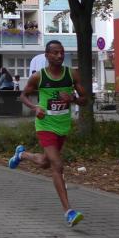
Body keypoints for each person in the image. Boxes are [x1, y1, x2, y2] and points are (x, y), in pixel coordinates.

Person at [8, 40, 88, 227]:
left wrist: (73, 98)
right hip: (45, 125)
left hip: (63, 126)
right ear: (47, 55)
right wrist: (35, 107)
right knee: (57, 165)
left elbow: (85, 100)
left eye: (62, 52)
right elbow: (23, 96)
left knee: (45, 162)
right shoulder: (39, 77)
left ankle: (21, 154)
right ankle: (69, 212)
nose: (59, 56)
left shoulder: (71, 74)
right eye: (55, 53)